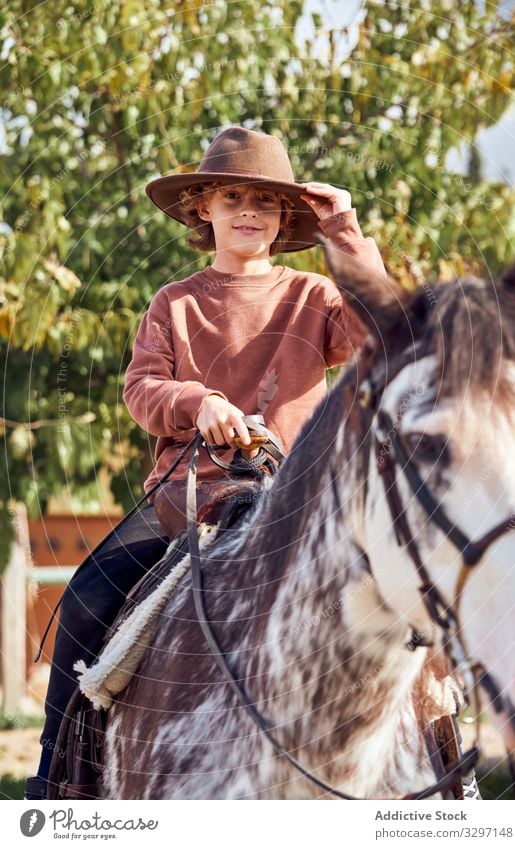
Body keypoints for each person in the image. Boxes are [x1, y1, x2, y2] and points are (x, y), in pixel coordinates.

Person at [25, 126, 386, 799]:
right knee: (83, 598)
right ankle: (55, 780)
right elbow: (141, 389)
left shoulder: (314, 299)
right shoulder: (175, 302)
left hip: (296, 502)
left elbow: (382, 330)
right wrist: (198, 401)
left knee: (402, 587)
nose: (249, 211)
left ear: (284, 219)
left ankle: (445, 760)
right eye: (231, 197)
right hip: (187, 499)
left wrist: (344, 230)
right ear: (201, 208)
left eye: (265, 202)